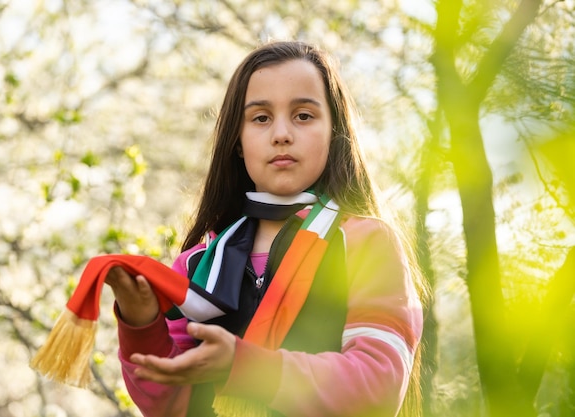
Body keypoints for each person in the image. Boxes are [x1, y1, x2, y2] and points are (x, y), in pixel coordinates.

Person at [105, 40, 425, 417]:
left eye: (304, 115)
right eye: (260, 118)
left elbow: (376, 386)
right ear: (237, 142)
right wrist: (141, 324)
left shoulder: (365, 243)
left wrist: (245, 368)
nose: (282, 134)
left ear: (334, 131)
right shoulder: (197, 263)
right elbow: (171, 404)